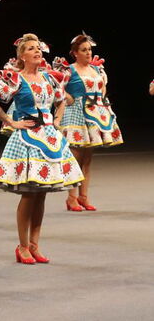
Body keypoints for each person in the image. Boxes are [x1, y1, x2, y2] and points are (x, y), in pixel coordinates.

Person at [0, 34, 83, 264]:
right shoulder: (15, 79)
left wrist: (57, 120)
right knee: (29, 195)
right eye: (30, 48)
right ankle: (22, 246)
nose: (37, 51)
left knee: (42, 195)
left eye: (38, 48)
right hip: (27, 138)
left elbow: (62, 100)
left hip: (49, 138)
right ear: (22, 56)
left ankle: (35, 244)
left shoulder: (49, 78)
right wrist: (12, 122)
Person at [57, 33, 122, 212]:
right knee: (75, 157)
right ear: (75, 53)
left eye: (90, 50)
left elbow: (102, 88)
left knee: (87, 159)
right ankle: (71, 198)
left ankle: (83, 197)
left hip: (94, 114)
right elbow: (57, 89)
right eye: (84, 50)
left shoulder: (97, 70)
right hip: (76, 114)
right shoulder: (69, 70)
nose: (88, 53)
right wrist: (68, 98)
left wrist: (101, 104)